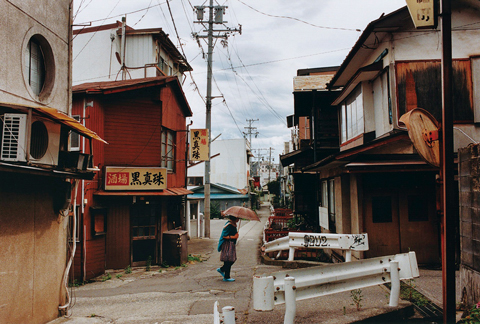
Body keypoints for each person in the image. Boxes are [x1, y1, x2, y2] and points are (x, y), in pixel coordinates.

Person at [217, 215, 239, 282]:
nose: (238, 219)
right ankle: (223, 270)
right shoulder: (229, 225)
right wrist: (234, 237)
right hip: (227, 244)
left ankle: (226, 276)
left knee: (229, 260)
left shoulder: (233, 224)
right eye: (237, 217)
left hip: (230, 244)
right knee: (230, 259)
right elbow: (224, 236)